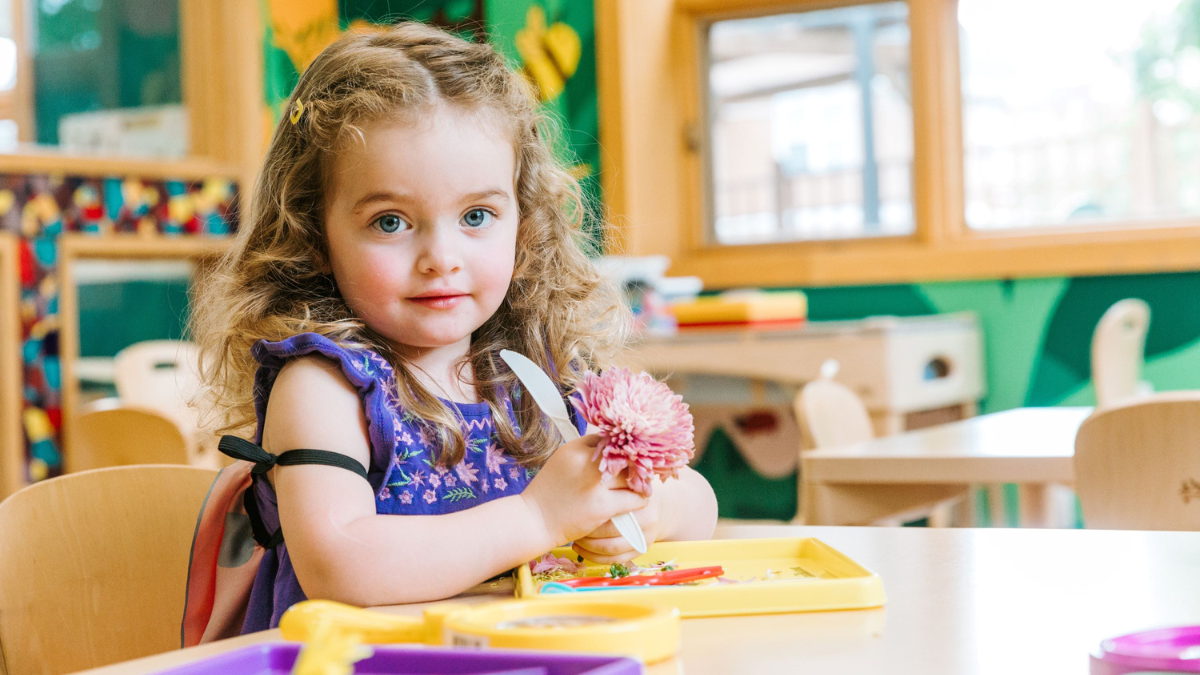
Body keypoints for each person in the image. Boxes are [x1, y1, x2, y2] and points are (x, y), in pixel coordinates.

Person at [190, 22, 717, 633]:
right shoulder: (325, 386)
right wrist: (537, 521)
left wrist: (652, 508)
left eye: (476, 215)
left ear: (525, 226)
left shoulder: (533, 376)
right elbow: (339, 564)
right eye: (390, 222)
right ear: (314, 236)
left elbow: (700, 506)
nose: (442, 256)